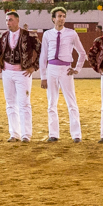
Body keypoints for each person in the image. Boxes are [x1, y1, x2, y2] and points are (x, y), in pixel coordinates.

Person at [39, 7, 85, 142]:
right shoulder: (47, 34)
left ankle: (76, 135)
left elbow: (82, 53)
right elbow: (43, 56)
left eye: (64, 16)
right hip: (51, 69)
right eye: (59, 16)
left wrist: (77, 69)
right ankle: (53, 134)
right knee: (51, 102)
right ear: (53, 19)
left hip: (66, 69)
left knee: (71, 102)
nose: (62, 19)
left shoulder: (72, 33)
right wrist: (43, 76)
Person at [0, 11, 40, 143]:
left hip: (23, 73)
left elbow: (41, 50)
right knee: (10, 103)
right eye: (6, 20)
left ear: (17, 21)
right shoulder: (3, 36)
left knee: (24, 103)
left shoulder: (29, 35)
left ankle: (26, 134)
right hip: (7, 73)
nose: (8, 23)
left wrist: (34, 67)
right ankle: (14, 134)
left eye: (10, 20)